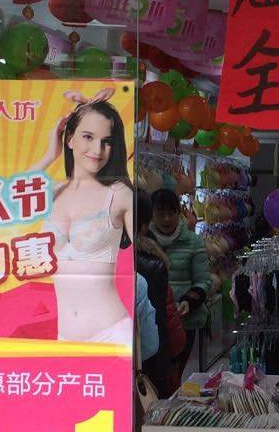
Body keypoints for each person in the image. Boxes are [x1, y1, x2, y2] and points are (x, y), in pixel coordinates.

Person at [37, 94, 134, 344]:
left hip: (112, 334)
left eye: (107, 141)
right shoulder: (51, 192)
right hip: (65, 338)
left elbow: (145, 258)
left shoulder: (119, 195)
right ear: (69, 138)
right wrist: (50, 155)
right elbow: (4, 200)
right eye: (88, 137)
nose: (97, 150)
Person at [150, 187, 211, 379]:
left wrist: (188, 301)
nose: (167, 219)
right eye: (161, 214)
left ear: (179, 213)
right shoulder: (144, 243)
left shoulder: (193, 242)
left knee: (174, 374)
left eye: (172, 213)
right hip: (151, 322)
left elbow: (204, 281)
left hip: (184, 321)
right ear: (152, 215)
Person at [134, 191, 187, 397]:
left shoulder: (94, 262)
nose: (166, 219)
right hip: (149, 362)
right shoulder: (152, 264)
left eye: (171, 213)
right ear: (147, 223)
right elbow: (158, 324)